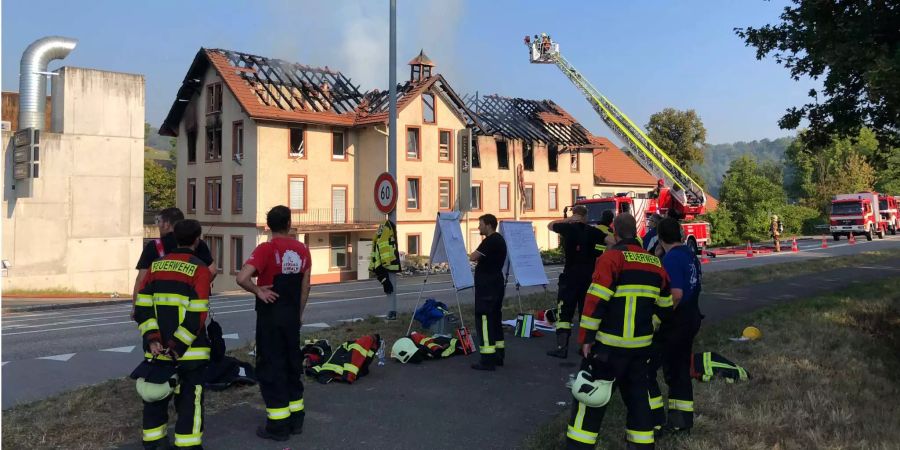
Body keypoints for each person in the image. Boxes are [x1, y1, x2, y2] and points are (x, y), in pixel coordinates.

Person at [566, 213, 673, 449]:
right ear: (635, 232)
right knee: (638, 402)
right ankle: (643, 445)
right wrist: (650, 325)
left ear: (615, 234)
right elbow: (666, 306)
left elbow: (594, 302)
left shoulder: (611, 259)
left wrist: (586, 339)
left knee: (590, 400)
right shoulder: (655, 263)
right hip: (639, 349)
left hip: (608, 349)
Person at [236, 206, 312, 441]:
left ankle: (278, 427)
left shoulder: (265, 250)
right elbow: (305, 287)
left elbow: (242, 278)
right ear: (289, 223)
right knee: (292, 367)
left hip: (270, 318)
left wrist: (258, 290)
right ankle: (296, 420)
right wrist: (298, 315)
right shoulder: (303, 250)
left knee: (271, 368)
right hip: (291, 318)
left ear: (268, 226)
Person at [134, 219, 211, 450]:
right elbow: (196, 315)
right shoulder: (199, 268)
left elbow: (143, 306)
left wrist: (153, 339)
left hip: (157, 351)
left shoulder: (156, 266)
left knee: (155, 397)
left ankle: (154, 442)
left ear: (175, 238)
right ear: (197, 240)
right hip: (189, 353)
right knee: (190, 401)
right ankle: (187, 446)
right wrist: (176, 346)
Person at [648, 217, 703, 434]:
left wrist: (658, 317)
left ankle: (656, 421)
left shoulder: (671, 260)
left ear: (660, 238)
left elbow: (676, 294)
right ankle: (681, 421)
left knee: (654, 368)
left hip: (676, 321)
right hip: (691, 317)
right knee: (680, 370)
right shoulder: (689, 254)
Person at [546, 205, 606, 358]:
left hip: (570, 277)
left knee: (564, 312)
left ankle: (562, 347)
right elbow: (611, 241)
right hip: (588, 277)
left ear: (574, 215)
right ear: (586, 216)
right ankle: (585, 346)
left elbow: (550, 225)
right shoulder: (594, 231)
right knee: (585, 312)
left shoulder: (567, 229)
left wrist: (568, 220)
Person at [133, 208, 216, 318]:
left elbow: (141, 280)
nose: (158, 226)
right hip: (190, 309)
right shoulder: (197, 243)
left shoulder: (154, 246)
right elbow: (212, 271)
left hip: (159, 310)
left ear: (167, 224)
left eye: (159, 222)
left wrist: (136, 308)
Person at [468, 214, 507, 371]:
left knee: (484, 321)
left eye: (481, 224)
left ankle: (487, 359)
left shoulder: (490, 241)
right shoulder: (499, 240)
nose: (479, 227)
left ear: (489, 225)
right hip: (496, 284)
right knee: (495, 319)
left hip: (487, 288)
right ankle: (498, 354)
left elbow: (473, 256)